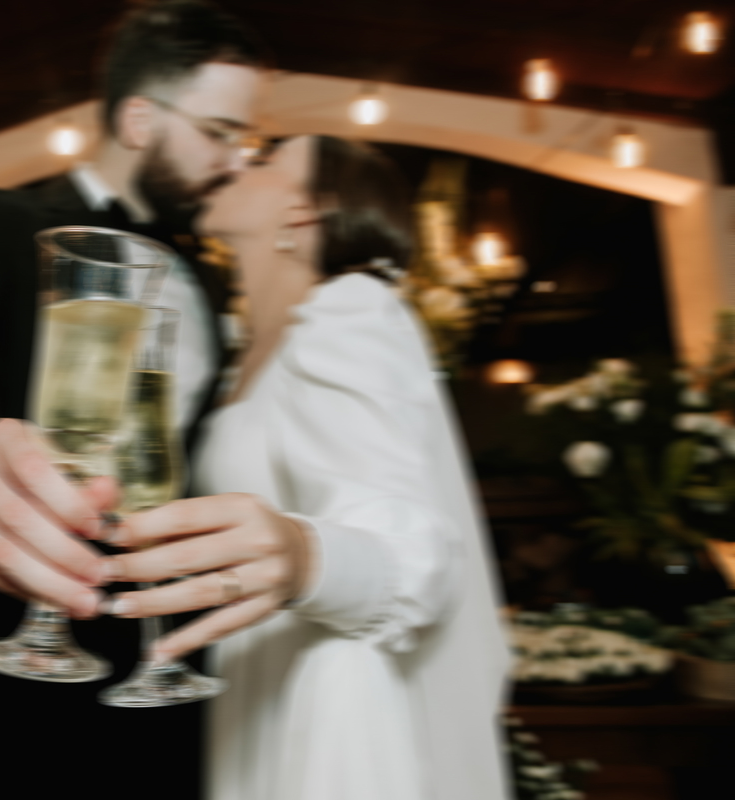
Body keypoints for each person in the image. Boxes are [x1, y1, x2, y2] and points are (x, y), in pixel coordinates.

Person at [0, 2, 266, 796]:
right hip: (13, 694)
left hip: (170, 685)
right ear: (138, 119)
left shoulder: (206, 278)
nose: (235, 160)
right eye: (219, 132)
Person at [100, 136, 512, 799]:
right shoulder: (243, 349)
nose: (237, 161)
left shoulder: (351, 310)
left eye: (265, 160)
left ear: (303, 210)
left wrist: (306, 557)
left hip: (332, 715)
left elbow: (416, 547)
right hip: (252, 685)